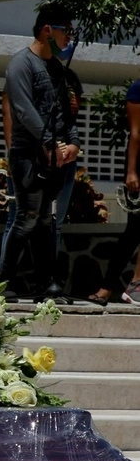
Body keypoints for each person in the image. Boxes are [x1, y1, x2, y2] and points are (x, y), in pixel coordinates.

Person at [0, 4, 81, 301]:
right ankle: (4, 283)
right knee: (27, 216)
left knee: (46, 218)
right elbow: (23, 109)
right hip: (27, 154)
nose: (69, 38)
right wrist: (48, 144)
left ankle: (46, 284)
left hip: (54, 154)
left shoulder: (57, 68)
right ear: (48, 30)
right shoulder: (21, 64)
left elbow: (64, 114)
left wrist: (72, 143)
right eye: (65, 31)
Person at [89, 78, 140, 306]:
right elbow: (136, 133)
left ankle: (133, 285)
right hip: (139, 167)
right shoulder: (138, 89)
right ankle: (111, 286)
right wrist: (131, 172)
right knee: (134, 230)